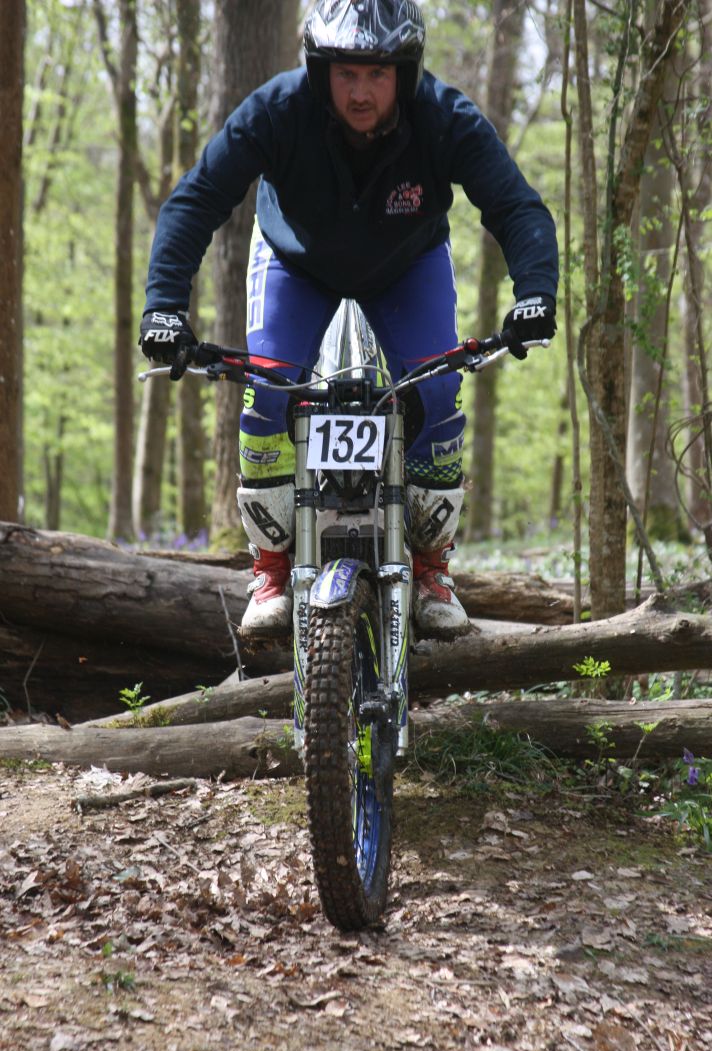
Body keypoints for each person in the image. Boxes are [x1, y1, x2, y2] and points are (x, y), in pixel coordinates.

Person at [139, 0, 558, 641]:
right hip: (294, 263)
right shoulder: (277, 109)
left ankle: (430, 568)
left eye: (378, 74)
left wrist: (534, 293)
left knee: (438, 392)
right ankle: (271, 567)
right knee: (266, 394)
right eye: (346, 74)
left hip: (405, 265)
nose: (361, 92)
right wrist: (164, 307)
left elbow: (517, 206)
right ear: (320, 71)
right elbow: (195, 200)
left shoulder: (445, 118)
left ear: (405, 73)